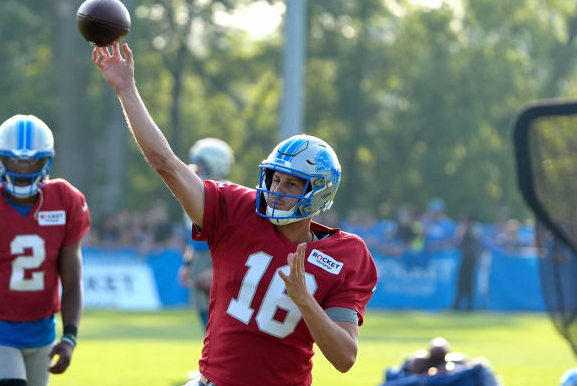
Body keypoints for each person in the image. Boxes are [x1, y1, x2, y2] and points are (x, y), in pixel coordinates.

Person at [93, 43, 378, 386]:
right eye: (275, 178)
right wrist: (126, 90)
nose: (277, 189)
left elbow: (345, 357)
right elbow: (166, 164)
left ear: (319, 193)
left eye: (291, 184)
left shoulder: (346, 254)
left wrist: (304, 300)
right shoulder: (236, 210)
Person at [0, 114, 91, 386]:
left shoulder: (66, 201)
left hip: (43, 335)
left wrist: (69, 337)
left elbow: (72, 283)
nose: (23, 168)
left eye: (32, 160)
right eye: (14, 159)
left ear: (46, 160)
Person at [178, 137, 235, 329]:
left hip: (217, 258)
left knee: (219, 314)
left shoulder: (226, 192)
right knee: (203, 312)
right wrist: (188, 263)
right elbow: (193, 235)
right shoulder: (197, 191)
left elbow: (230, 236)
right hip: (200, 258)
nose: (196, 169)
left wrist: (216, 266)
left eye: (201, 164)